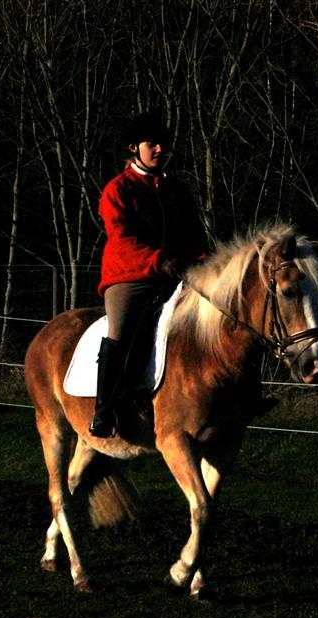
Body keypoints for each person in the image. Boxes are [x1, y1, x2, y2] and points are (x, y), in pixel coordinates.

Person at [90, 110, 208, 437]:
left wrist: (205, 263)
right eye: (152, 144)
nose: (160, 149)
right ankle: (105, 409)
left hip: (174, 274)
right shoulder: (118, 190)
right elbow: (123, 239)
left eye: (163, 144)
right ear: (134, 148)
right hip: (130, 276)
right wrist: (162, 260)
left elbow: (194, 236)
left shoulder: (177, 191)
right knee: (122, 331)